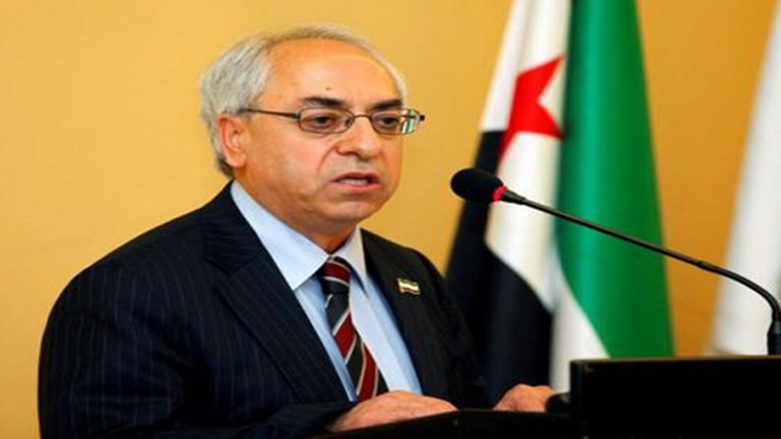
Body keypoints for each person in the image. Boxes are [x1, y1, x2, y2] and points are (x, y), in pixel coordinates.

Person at [39, 25, 553, 439]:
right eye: (323, 120)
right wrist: (332, 428)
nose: (366, 145)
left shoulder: (410, 273)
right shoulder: (130, 290)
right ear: (235, 138)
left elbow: (451, 418)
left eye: (386, 121)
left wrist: (503, 423)